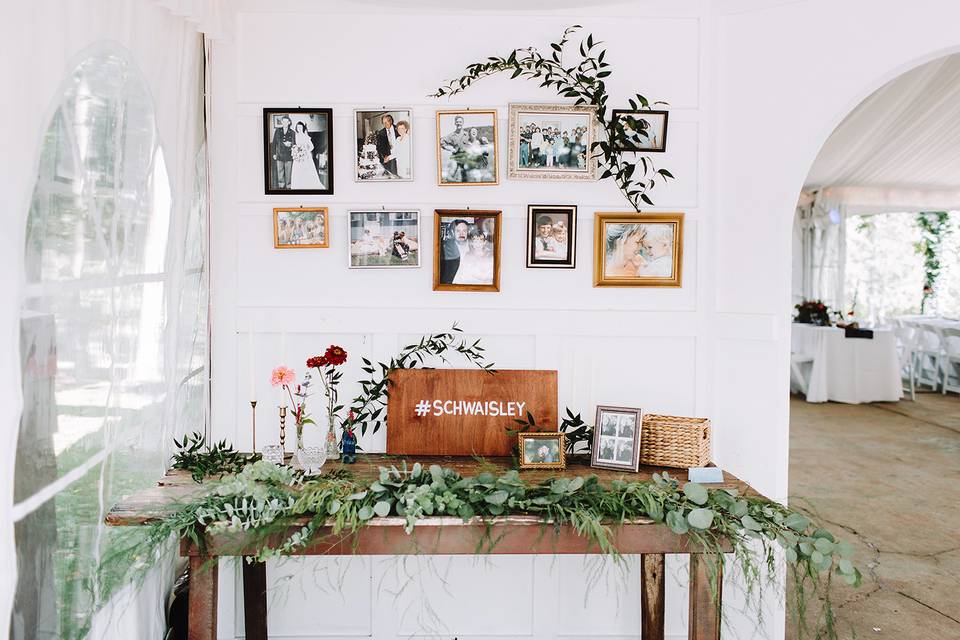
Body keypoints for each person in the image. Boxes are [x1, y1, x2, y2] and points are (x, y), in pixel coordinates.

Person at [290, 121, 324, 190]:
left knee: (306, 171)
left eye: (301, 127)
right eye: (298, 127)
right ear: (296, 128)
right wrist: (296, 151)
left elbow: (312, 146)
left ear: (303, 128)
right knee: (298, 171)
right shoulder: (295, 136)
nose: (299, 129)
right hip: (298, 157)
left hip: (306, 157)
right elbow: (294, 145)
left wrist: (306, 151)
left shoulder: (306, 136)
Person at [439, 115, 470, 182]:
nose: (459, 123)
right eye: (457, 122)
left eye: (460, 122)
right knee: (451, 174)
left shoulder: (467, 134)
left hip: (466, 157)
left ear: (463, 123)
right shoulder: (451, 135)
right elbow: (441, 141)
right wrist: (449, 148)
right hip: (456, 157)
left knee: (465, 176)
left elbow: (474, 141)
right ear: (455, 123)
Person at [439, 219, 469, 284]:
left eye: (464, 231)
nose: (461, 234)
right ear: (453, 232)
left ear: (468, 232)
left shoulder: (474, 247)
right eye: (458, 231)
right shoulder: (445, 248)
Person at [272, 115, 295, 189]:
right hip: (279, 155)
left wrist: (290, 144)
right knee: (280, 172)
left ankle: (288, 186)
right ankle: (281, 186)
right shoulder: (278, 131)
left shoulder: (292, 132)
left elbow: (294, 144)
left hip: (289, 156)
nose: (285, 123)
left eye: (286, 122)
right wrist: (274, 154)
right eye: (283, 121)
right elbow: (274, 143)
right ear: (282, 122)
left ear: (289, 123)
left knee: (288, 173)